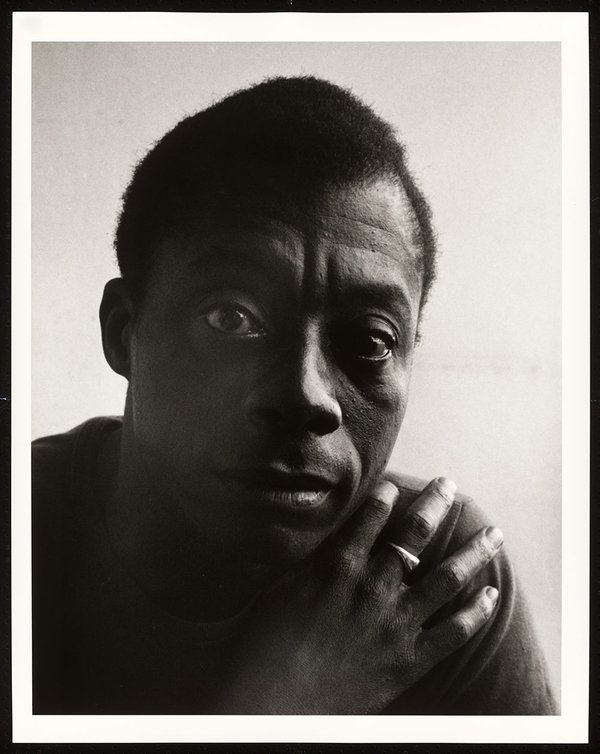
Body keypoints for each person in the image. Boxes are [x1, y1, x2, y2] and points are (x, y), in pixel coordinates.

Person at [32, 76, 557, 715]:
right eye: (231, 318)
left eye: (370, 339)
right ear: (123, 333)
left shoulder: (430, 578)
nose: (306, 394)